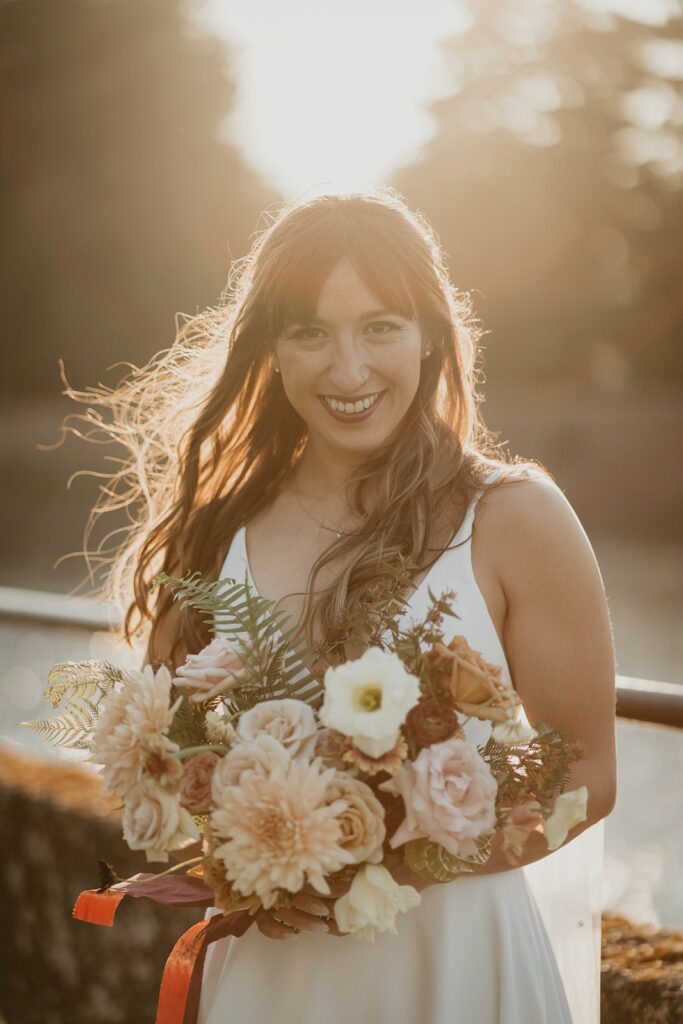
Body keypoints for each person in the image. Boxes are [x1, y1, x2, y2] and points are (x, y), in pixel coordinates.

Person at [72, 187, 617, 1023]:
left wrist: (379, 868)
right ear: (271, 351)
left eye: (380, 327)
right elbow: (176, 768)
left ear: (432, 336)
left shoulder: (515, 518)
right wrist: (237, 859)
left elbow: (584, 774)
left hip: (458, 967)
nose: (349, 370)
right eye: (310, 333)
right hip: (274, 972)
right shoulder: (215, 534)